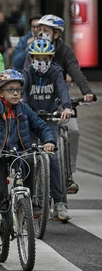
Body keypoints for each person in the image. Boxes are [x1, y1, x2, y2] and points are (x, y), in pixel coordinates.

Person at [0, 69, 55, 255]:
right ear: (0, 92)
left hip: (18, 154)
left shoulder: (24, 109)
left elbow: (41, 126)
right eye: (11, 90)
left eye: (18, 89)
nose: (16, 93)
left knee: (31, 161)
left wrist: (49, 140)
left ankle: (28, 203)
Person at [27, 15, 95, 194]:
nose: (41, 33)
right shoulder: (33, 48)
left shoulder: (65, 51)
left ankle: (69, 174)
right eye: (39, 29)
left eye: (46, 30)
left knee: (73, 130)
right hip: (38, 101)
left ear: (56, 34)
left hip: (60, 100)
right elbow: (25, 76)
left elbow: (75, 71)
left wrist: (86, 92)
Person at [21, 40, 72, 221]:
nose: (41, 61)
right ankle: (29, 200)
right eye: (37, 58)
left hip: (49, 119)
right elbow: (21, 92)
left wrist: (66, 107)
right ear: (31, 58)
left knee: (52, 157)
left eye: (45, 58)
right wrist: (21, 107)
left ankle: (59, 202)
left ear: (51, 58)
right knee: (28, 158)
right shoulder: (27, 72)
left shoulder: (56, 71)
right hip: (30, 119)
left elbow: (62, 90)